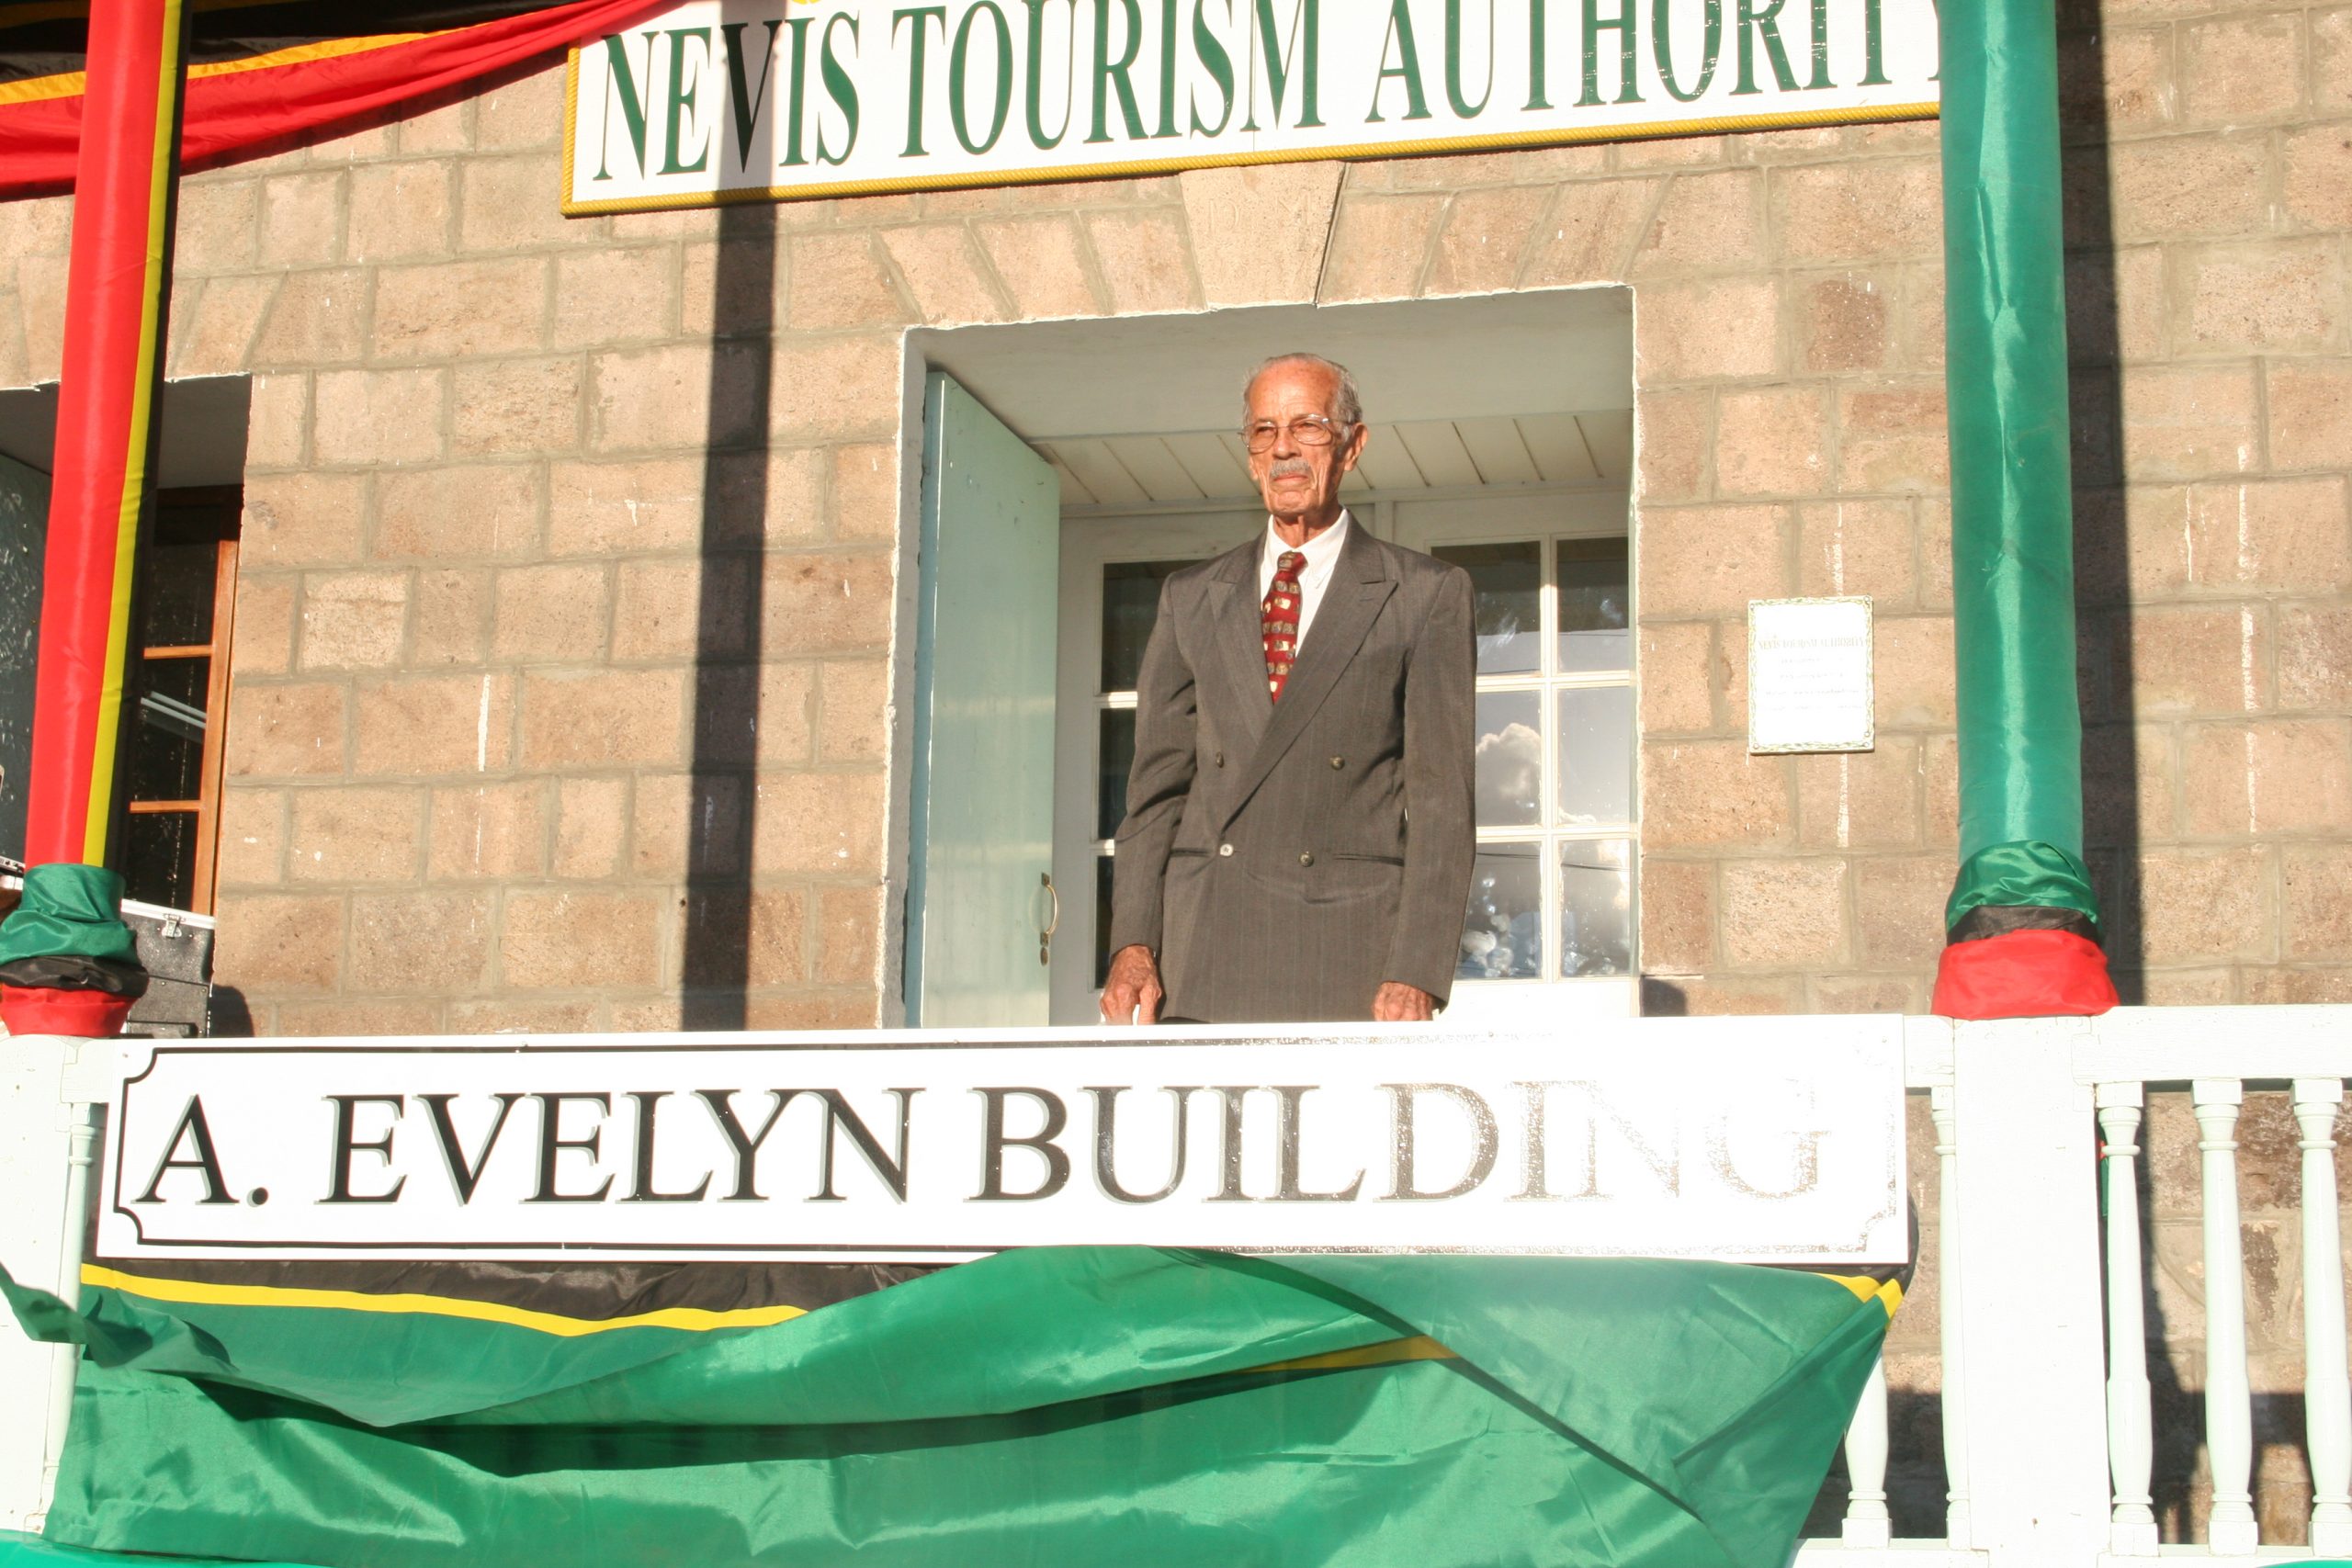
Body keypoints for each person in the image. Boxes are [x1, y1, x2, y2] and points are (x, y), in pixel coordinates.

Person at [1099, 353, 1476, 1026]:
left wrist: (1414, 969)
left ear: (1353, 445)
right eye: (1264, 432)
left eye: (1308, 427)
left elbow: (1443, 802)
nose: (1284, 450)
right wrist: (1133, 943)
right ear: (1248, 456)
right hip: (1203, 949)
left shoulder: (1424, 594)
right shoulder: (1190, 598)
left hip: (1352, 953)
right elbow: (1154, 798)